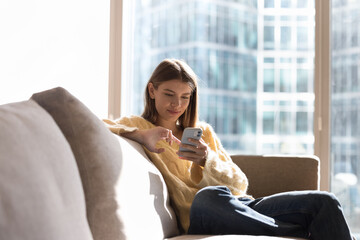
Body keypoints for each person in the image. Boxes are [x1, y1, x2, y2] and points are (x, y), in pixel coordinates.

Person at [104, 59, 354, 239]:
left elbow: (239, 185)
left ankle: (291, 230)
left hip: (239, 207)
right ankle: (296, 233)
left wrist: (207, 160)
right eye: (169, 94)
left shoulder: (203, 132)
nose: (176, 104)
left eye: (185, 97)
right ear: (152, 90)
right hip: (201, 215)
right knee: (206, 197)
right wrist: (141, 134)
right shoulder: (136, 125)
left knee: (325, 201)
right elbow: (95, 125)